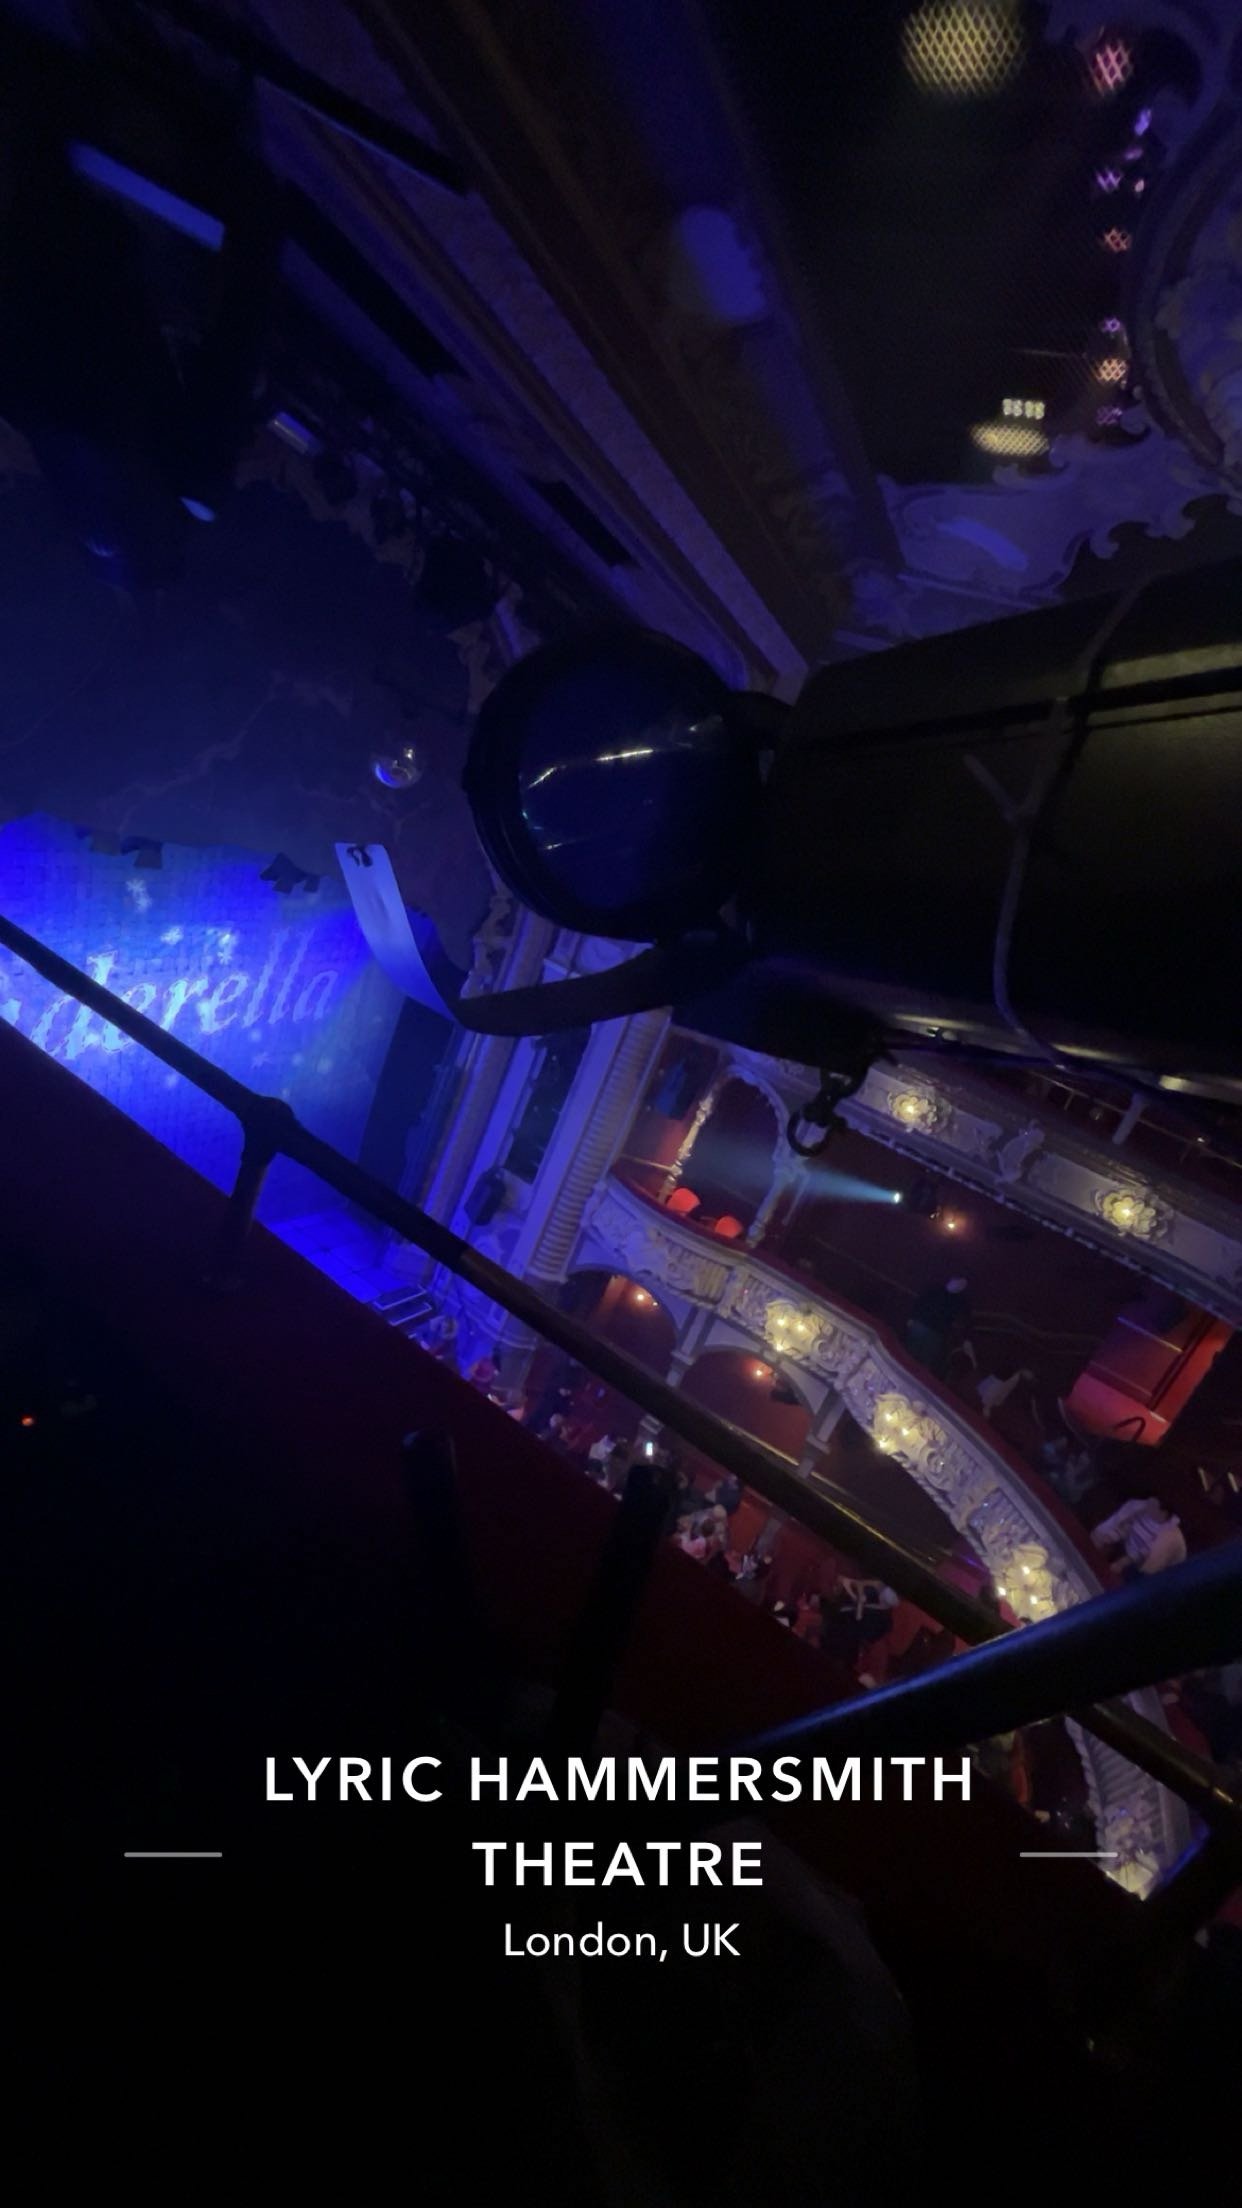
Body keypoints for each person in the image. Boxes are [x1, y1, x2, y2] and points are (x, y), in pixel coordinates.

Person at [1092, 1495, 1187, 1578]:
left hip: (1136, 1559)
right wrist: (1113, 1535)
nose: (1149, 1508)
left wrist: (1124, 1561)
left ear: (1163, 1513)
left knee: (1124, 1571)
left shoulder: (1164, 1532)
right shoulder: (1144, 1512)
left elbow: (1145, 1551)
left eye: (1154, 1508)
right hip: (1126, 1546)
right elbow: (1127, 1525)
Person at [904, 1277, 974, 1378]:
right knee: (908, 1352)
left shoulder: (961, 1301)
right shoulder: (935, 1288)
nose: (959, 1285)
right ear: (951, 1279)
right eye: (958, 1282)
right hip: (921, 1325)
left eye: (962, 1284)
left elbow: (965, 1319)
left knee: (924, 1361)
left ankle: (913, 1380)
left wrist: (965, 1337)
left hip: (936, 1334)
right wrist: (912, 1317)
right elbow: (921, 1301)